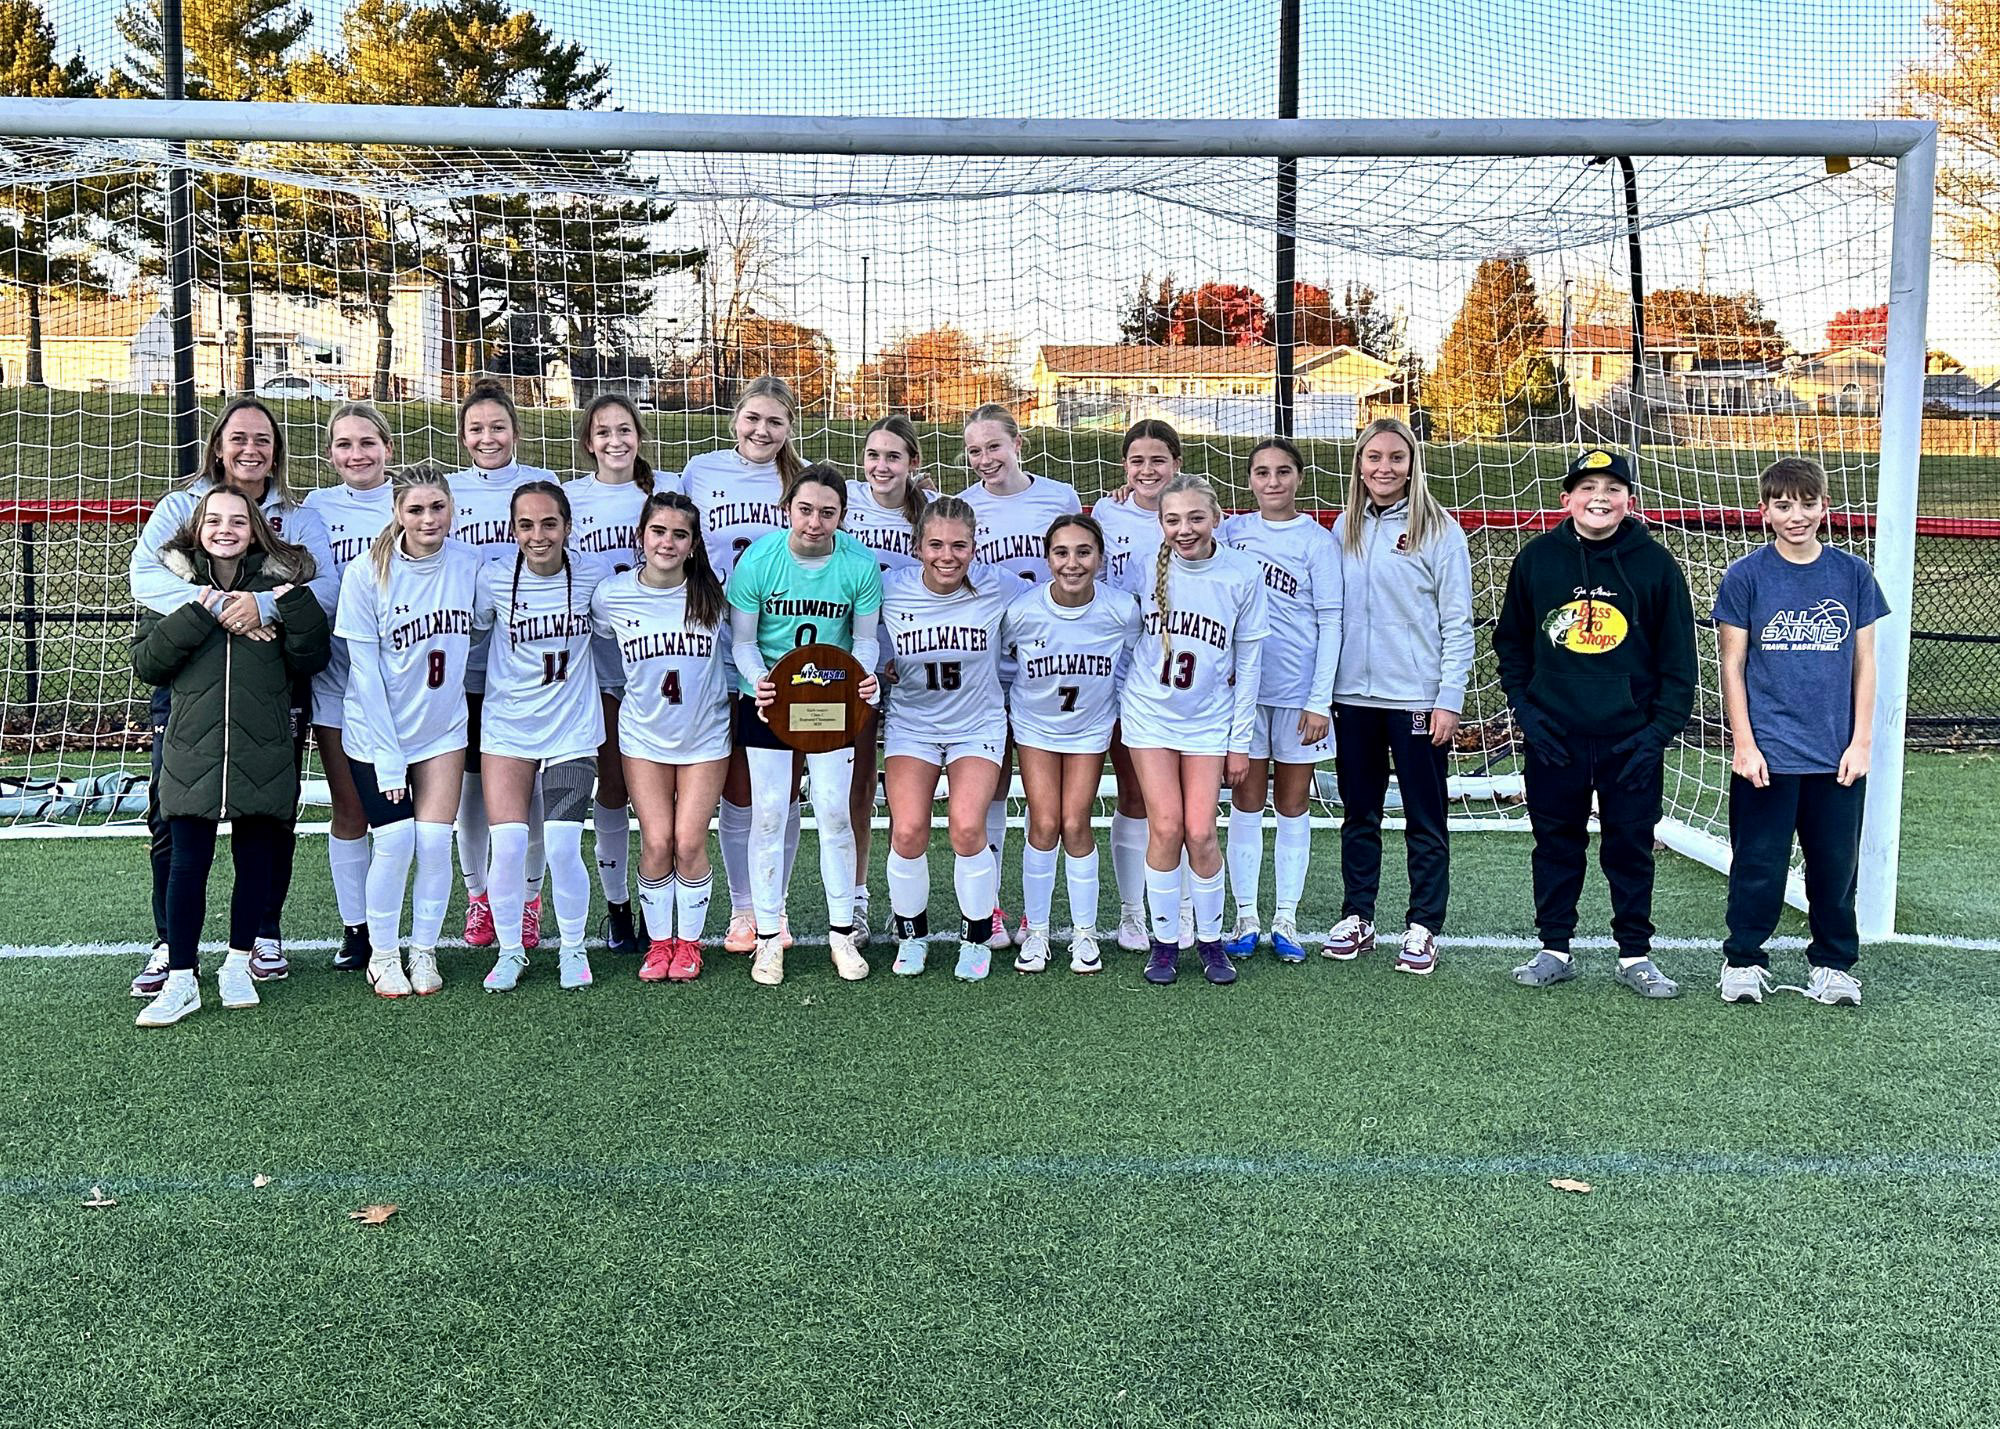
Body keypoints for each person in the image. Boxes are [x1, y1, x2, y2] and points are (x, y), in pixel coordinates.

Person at [128, 397, 336, 1001]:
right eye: (239, 438)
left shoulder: (297, 518)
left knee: (270, 811)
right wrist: (222, 610)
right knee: (174, 816)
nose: (251, 449)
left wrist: (264, 605)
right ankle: (172, 944)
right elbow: (148, 578)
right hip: (191, 686)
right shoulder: (179, 506)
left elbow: (322, 587)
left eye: (264, 440)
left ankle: (262, 936)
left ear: (278, 450)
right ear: (218, 445)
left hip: (269, 689)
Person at [1494, 447, 1695, 998]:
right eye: (1587, 488)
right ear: (1567, 499)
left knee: (1629, 847)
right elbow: (1511, 643)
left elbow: (1680, 663)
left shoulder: (1655, 565)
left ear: (1630, 501)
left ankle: (1635, 955)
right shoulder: (1538, 559)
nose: (1598, 498)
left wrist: (1655, 734)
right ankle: (1554, 948)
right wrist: (1528, 713)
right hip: (1554, 735)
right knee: (1555, 843)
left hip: (1630, 739)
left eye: (1611, 489)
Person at [1714, 457, 1885, 1007]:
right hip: (1768, 754)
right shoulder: (1746, 577)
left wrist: (1860, 742)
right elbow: (1731, 665)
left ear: (1824, 508)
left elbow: (1865, 664)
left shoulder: (1852, 574)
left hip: (1835, 756)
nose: (1797, 516)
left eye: (1807, 504)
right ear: (1764, 512)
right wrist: (1744, 741)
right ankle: (1742, 961)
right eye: (1784, 505)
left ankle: (1833, 965)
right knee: (1758, 866)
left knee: (1835, 869)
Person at [1323, 417, 1474, 976]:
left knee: (1423, 816)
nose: (1383, 468)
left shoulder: (1440, 531)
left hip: (1414, 698)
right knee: (1358, 812)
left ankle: (1422, 926)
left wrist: (1448, 697)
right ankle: (1359, 915)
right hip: (1353, 699)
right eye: (1372, 457)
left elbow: (1458, 624)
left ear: (1413, 465)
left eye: (1395, 458)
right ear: (1359, 465)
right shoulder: (1345, 526)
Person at [728, 464, 883, 986]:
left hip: (830, 701)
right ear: (787, 508)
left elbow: (864, 639)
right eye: (805, 510)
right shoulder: (760, 559)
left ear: (843, 515)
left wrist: (864, 677)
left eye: (827, 512)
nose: (815, 522)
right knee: (770, 814)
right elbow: (744, 642)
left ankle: (841, 934)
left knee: (835, 812)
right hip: (771, 699)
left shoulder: (859, 564)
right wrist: (757, 680)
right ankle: (769, 937)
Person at [333, 464, 481, 998]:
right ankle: (384, 953)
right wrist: (389, 756)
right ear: (397, 512)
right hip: (379, 732)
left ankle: (423, 949)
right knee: (394, 843)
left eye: (437, 507)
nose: (427, 518)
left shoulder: (469, 564)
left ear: (452, 509)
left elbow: (491, 624)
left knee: (435, 844)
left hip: (442, 730)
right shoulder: (365, 574)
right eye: (415, 509)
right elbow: (365, 674)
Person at [1117, 473, 1267, 986]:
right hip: (1149, 715)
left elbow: (1248, 664)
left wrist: (1239, 742)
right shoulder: (1142, 567)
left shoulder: (1241, 574)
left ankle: (1209, 940)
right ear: (1160, 523)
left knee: (1201, 831)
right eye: (1173, 519)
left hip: (1208, 720)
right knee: (1166, 827)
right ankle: (1163, 943)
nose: (1184, 529)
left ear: (1217, 518)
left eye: (1195, 518)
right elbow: (1121, 638)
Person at [878, 497, 1029, 980]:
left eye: (959, 545)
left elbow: (1054, 607)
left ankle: (977, 937)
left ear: (974, 545)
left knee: (967, 827)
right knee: (906, 831)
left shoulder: (999, 586)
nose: (948, 555)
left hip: (977, 724)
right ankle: (911, 935)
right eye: (936, 544)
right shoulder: (891, 588)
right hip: (912, 724)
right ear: (917, 546)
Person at [472, 482, 613, 993]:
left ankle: (572, 948)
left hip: (573, 731)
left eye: (549, 523)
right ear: (512, 529)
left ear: (568, 526)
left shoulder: (593, 576)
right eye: (526, 525)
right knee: (507, 848)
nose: (538, 535)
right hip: (507, 731)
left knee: (560, 846)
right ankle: (511, 951)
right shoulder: (491, 581)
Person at [684, 375, 808, 954]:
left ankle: (775, 910)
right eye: (753, 418)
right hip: (713, 641)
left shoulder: (800, 481)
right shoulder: (700, 471)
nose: (762, 431)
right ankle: (742, 910)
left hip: (780, 651)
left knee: (780, 793)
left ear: (790, 429)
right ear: (736, 419)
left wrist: (923, 494)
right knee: (738, 788)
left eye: (775, 422)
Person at [590, 491, 734, 984]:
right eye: (659, 531)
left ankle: (688, 944)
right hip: (644, 736)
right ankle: (658, 944)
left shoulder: (715, 597)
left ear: (694, 544)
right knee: (656, 842)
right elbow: (602, 647)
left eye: (679, 534)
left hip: (705, 735)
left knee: (689, 841)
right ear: (641, 535)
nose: (667, 542)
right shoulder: (612, 595)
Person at [958, 403, 1081, 949]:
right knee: (991, 783)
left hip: (1047, 662)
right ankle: (992, 907)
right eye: (975, 451)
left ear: (1018, 443)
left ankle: (1043, 911)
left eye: (994, 447)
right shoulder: (962, 506)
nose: (985, 459)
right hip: (985, 660)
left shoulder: (1059, 498)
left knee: (1042, 793)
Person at [1218, 436, 1342, 963]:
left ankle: (1285, 917)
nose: (1273, 481)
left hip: (1297, 695)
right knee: (1245, 801)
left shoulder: (1317, 542)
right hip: (1242, 696)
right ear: (1248, 480)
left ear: (1299, 477)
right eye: (1262, 472)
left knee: (1292, 804)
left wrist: (1320, 700)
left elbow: (1332, 622)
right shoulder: (1230, 533)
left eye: (1283, 472)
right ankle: (1245, 915)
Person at [1001, 513, 1141, 975]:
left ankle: (1084, 933)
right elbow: (1001, 663)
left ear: (1101, 558)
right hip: (1036, 726)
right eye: (1061, 553)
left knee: (1076, 823)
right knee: (1043, 822)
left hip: (1089, 727)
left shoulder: (1121, 609)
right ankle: (1037, 932)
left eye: (1084, 552)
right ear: (1047, 559)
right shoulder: (1022, 611)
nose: (1072, 563)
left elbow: (1137, 665)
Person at [448, 381, 560, 954]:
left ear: (516, 432)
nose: (487, 437)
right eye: (476, 428)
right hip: (465, 664)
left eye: (498, 427)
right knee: (472, 789)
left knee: (532, 790)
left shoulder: (543, 487)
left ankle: (531, 899)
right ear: (461, 434)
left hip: (531, 667)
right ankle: (480, 896)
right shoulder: (448, 491)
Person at [565, 393, 663, 959]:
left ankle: (659, 901)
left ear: (640, 436)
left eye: (624, 430)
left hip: (665, 665)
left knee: (655, 796)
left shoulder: (665, 490)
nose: (615, 441)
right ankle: (618, 906)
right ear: (588, 442)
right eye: (603, 432)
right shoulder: (571, 498)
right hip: (597, 667)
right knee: (612, 787)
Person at [302, 403, 397, 972]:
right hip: (339, 679)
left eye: (367, 442)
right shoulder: (316, 508)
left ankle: (416, 921)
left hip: (409, 686)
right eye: (343, 444)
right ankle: (356, 927)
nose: (356, 454)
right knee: (351, 808)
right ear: (331, 453)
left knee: (415, 814)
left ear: (388, 447)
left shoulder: (412, 502)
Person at [1093, 420, 1187, 954]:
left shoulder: (1197, 512)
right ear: (1124, 468)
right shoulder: (1108, 512)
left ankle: (1185, 906)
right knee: (1133, 794)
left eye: (1158, 460)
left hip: (1183, 679)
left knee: (1184, 803)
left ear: (1176, 463)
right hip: (1121, 673)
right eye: (1136, 462)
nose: (1147, 471)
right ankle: (1133, 912)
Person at [841, 414, 933, 941]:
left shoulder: (927, 514)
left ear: (912, 463)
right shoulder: (846, 504)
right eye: (873, 455)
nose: (881, 465)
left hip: (911, 668)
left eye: (893, 456)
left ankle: (906, 901)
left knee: (897, 793)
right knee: (851, 784)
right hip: (850, 667)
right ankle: (854, 899)